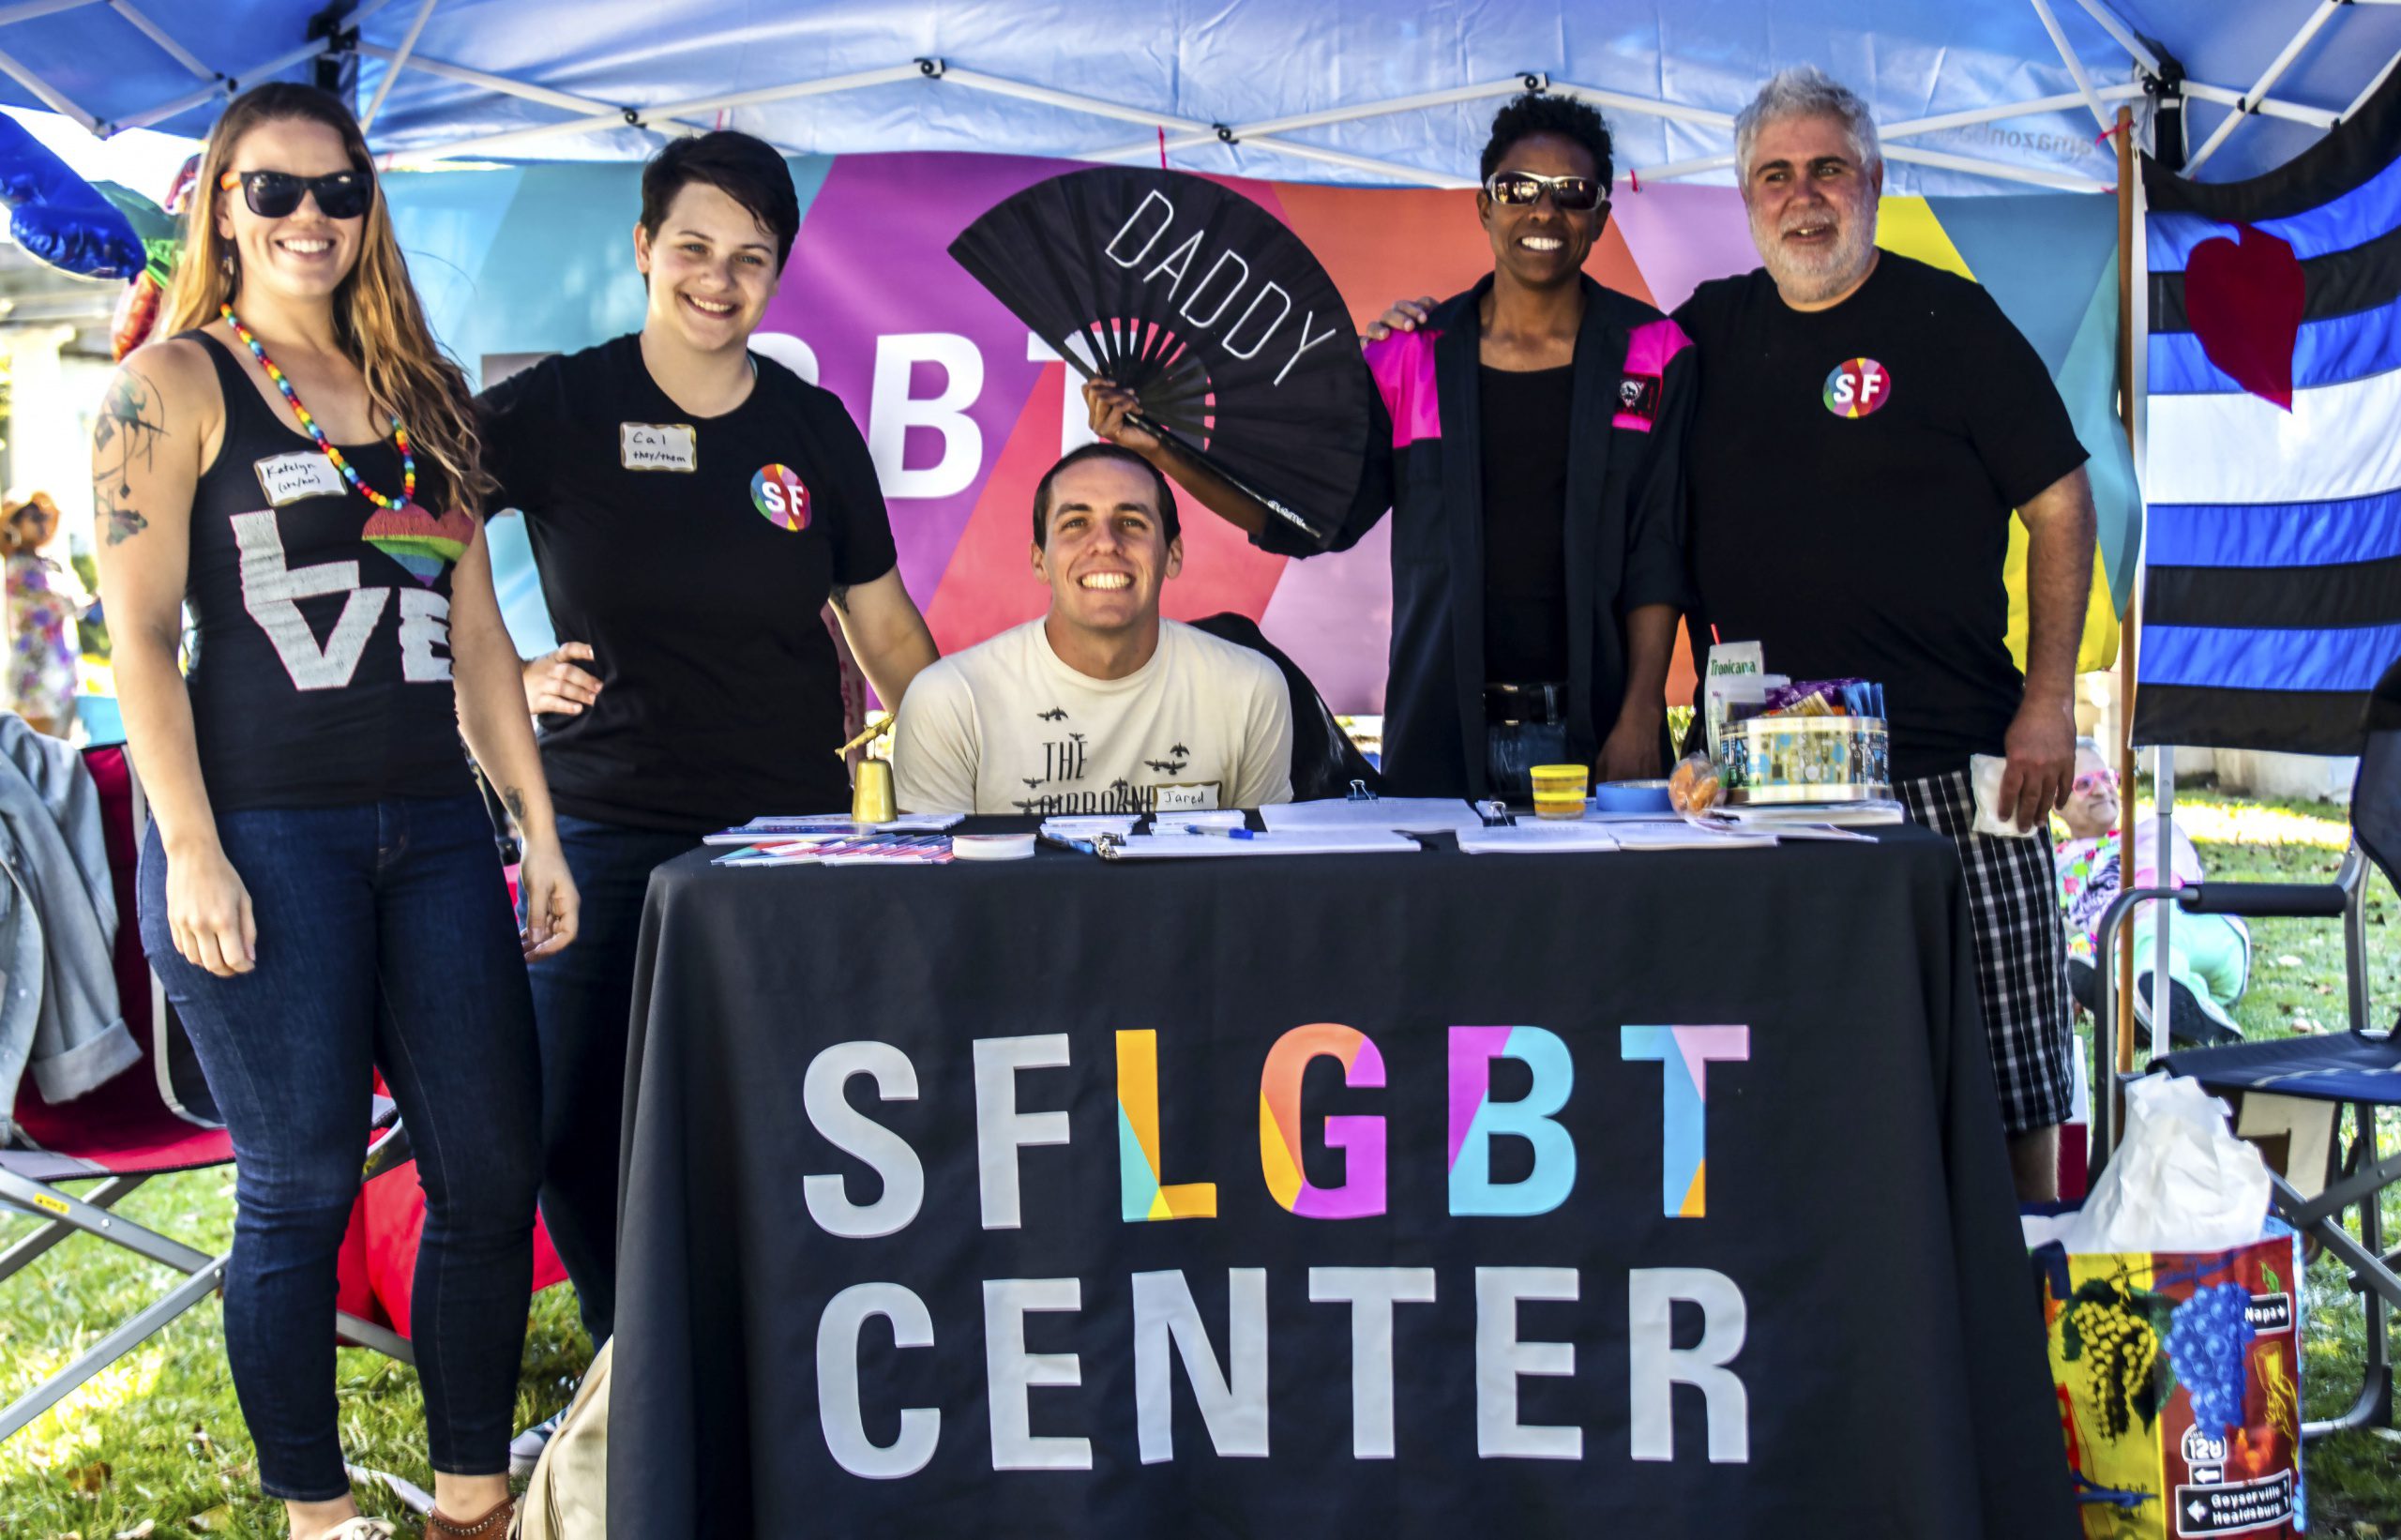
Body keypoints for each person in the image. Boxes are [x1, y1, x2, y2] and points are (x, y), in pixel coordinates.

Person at [94, 83, 576, 1540]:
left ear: (371, 210)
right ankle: (314, 1514)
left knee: (491, 1173)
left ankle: (472, 1499)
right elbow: (139, 642)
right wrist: (190, 847)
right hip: (266, 833)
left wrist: (535, 825)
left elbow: (480, 634)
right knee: (298, 1184)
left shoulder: (421, 392)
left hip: (433, 830)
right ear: (220, 209)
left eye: (339, 191)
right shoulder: (168, 385)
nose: (311, 218)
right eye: (274, 191)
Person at [476, 130, 938, 1419]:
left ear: (781, 271)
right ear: (642, 248)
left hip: (780, 840)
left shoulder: (809, 429)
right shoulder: (561, 405)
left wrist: (980, 764)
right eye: (692, 248)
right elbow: (410, 521)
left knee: (770, 1113)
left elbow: (886, 629)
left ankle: (771, 1365)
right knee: (569, 1123)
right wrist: (498, 675)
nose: (718, 280)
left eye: (750, 258)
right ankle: (639, 1357)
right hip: (600, 828)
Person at [1672, 67, 2098, 1200]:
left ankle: (2026, 1296)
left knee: (2014, 1076)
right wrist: (1426, 331)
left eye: (1827, 170)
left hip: (1964, 770)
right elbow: (1566, 379)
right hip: (1768, 789)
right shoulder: (1703, 335)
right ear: (1744, 194)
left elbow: (2060, 502)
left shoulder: (1946, 321)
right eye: (1775, 175)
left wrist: (2047, 702)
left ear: (1874, 180)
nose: (1802, 197)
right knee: (1799, 1083)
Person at [1088, 92, 1694, 801]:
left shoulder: (1655, 355)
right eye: (1519, 189)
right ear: (1484, 206)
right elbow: (1311, 521)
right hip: (1440, 743)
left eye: (1572, 194)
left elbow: (1658, 550)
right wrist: (1160, 449)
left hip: (1597, 738)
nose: (1544, 212)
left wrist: (1641, 715)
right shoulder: (1413, 359)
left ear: (1600, 218)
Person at [892, 443, 1292, 816]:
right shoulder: (950, 701)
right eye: (1076, 523)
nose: (1105, 543)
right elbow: (936, 889)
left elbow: (1261, 879)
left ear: (1173, 555)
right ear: (1039, 561)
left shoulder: (1250, 689)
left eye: (1131, 522)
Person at [2056, 741, 2248, 1047]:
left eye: (2107, 778)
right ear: (2055, 801)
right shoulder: (2056, 868)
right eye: (2084, 783)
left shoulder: (2153, 832)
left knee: (2151, 926)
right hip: (2127, 954)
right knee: (2084, 954)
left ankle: (2140, 1001)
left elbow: (2156, 893)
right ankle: (2184, 1009)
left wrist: (2110, 933)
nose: (2101, 790)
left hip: (2201, 935)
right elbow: (2059, 936)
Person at [3, 491, 91, 736]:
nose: (41, 523)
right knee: (39, 760)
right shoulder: (18, 567)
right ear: (15, 524)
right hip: (34, 686)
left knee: (65, 755)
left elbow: (80, 606)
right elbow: (64, 604)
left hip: (63, 680)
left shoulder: (51, 564)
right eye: (33, 517)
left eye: (43, 516)